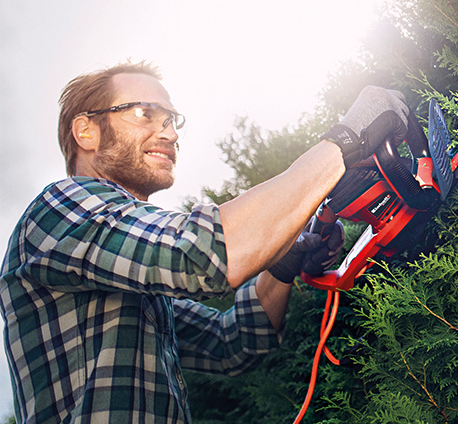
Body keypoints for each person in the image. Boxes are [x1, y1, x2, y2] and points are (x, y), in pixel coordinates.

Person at [0, 61, 411, 423]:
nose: (169, 134)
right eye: (145, 114)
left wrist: (283, 267)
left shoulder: (128, 280)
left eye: (172, 121)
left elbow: (233, 343)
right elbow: (200, 253)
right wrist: (346, 140)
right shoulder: (60, 209)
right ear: (86, 131)